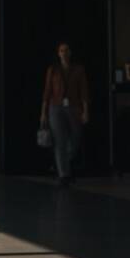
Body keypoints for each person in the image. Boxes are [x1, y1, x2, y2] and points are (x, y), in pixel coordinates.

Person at [40, 42, 89, 186]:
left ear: (70, 52)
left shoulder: (79, 69)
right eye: (61, 51)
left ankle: (62, 164)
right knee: (59, 140)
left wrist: (86, 111)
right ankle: (64, 175)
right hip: (56, 107)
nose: (64, 53)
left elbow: (84, 91)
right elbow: (47, 92)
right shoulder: (53, 70)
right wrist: (43, 112)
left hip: (74, 107)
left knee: (75, 138)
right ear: (58, 53)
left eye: (66, 50)